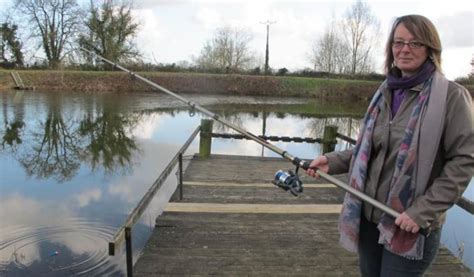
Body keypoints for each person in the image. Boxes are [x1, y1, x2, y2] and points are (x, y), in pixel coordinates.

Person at [306, 14, 474, 277]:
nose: (405, 49)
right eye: (398, 42)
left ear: (431, 49)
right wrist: (333, 161)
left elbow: (464, 161)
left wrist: (422, 211)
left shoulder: (452, 97)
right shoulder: (385, 92)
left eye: (415, 43)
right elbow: (370, 149)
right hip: (370, 218)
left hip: (411, 225)